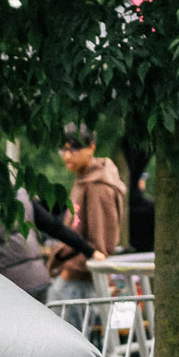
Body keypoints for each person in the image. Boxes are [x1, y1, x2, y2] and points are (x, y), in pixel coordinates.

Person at [48, 124, 126, 334]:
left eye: (74, 149)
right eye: (63, 149)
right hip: (72, 276)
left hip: (79, 279)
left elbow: (100, 245)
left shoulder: (97, 186)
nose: (67, 156)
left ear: (91, 147)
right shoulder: (82, 179)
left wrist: (69, 272)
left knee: (69, 344)